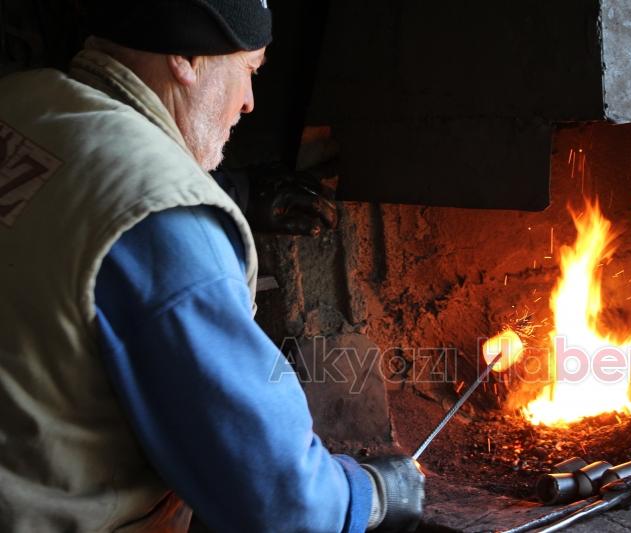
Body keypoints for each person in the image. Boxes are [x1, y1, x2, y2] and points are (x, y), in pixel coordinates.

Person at [0, 1, 424, 531]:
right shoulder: (163, 222)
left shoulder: (21, 99)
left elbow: (82, 197)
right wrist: (373, 493)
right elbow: (278, 499)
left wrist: (236, 192)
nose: (248, 102)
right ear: (185, 57)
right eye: (248, 70)